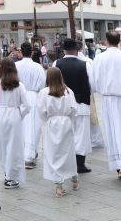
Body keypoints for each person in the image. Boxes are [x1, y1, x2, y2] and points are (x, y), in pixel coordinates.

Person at [37, 67, 78, 197]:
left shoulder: (44, 92)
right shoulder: (68, 91)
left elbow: (41, 111)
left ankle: (59, 186)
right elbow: (74, 109)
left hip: (52, 123)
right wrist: (68, 119)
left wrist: (49, 119)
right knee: (68, 152)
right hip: (66, 122)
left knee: (54, 154)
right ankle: (74, 178)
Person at [54, 38, 92, 173]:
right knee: (81, 134)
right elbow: (92, 85)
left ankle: (65, 162)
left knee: (65, 134)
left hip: (63, 104)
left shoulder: (57, 63)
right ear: (77, 49)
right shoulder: (85, 64)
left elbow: (53, 83)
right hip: (81, 103)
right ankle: (80, 164)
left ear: (64, 50)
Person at [89, 30, 121, 178]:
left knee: (113, 131)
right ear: (119, 41)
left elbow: (93, 80)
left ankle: (118, 165)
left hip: (108, 99)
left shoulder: (100, 58)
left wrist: (98, 89)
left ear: (106, 41)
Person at [0, 58, 30, 189]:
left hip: (0, 114)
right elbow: (27, 105)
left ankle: (7, 172)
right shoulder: (19, 85)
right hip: (14, 114)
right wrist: (19, 115)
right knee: (14, 147)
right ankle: (10, 177)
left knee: (3, 145)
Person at [15, 42, 46, 168]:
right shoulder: (37, 67)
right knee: (33, 126)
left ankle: (23, 153)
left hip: (19, 97)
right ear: (32, 52)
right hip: (33, 96)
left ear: (21, 52)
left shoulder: (15, 65)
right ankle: (30, 155)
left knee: (22, 126)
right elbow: (42, 84)